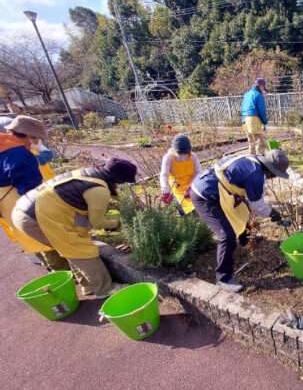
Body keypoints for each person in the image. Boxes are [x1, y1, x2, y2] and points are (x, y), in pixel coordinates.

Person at [13, 158, 137, 298]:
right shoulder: (98, 190)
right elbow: (97, 222)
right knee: (80, 250)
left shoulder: (91, 174)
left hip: (26, 210)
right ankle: (105, 289)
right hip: (34, 218)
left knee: (71, 247)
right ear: (118, 179)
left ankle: (88, 285)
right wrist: (118, 224)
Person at [190, 150, 290, 293]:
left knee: (243, 210)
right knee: (226, 235)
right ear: (270, 170)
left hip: (218, 189)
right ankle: (223, 279)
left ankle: (244, 240)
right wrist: (273, 214)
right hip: (204, 195)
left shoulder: (253, 161)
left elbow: (253, 200)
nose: (273, 177)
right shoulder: (255, 175)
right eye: (274, 174)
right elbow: (257, 205)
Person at [0, 115, 68, 270]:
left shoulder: (3, 144)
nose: (35, 143)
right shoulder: (18, 153)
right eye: (35, 139)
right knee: (43, 235)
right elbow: (29, 186)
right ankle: (62, 272)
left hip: (6, 202)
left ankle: (49, 266)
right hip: (18, 198)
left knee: (26, 235)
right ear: (28, 136)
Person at [160, 134, 201, 215]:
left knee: (200, 203)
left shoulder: (193, 157)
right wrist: (166, 190)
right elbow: (164, 175)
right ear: (174, 150)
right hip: (177, 186)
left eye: (185, 154)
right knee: (185, 209)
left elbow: (198, 173)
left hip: (192, 183)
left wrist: (191, 187)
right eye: (180, 154)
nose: (183, 157)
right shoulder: (168, 158)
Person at [241, 78, 269, 155]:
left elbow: (242, 107)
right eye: (263, 87)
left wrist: (242, 120)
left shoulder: (246, 94)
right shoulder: (258, 95)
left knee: (251, 142)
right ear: (261, 86)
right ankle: (260, 159)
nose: (263, 89)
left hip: (245, 119)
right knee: (260, 141)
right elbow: (261, 110)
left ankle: (251, 159)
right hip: (253, 118)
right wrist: (265, 121)